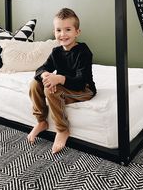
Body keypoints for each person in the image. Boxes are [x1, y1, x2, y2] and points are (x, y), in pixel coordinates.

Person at [27, 8, 96, 154]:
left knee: (52, 89)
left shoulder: (83, 52)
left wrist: (58, 79)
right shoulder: (56, 52)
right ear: (54, 33)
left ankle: (62, 129)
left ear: (77, 32)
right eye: (58, 30)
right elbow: (41, 69)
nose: (63, 34)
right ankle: (41, 121)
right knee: (35, 83)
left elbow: (80, 81)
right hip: (65, 86)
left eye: (68, 29)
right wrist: (45, 75)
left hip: (84, 89)